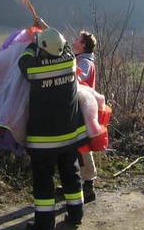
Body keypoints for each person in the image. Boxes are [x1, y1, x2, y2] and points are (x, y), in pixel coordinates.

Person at [19, 28, 87, 230]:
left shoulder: (34, 68)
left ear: (42, 49)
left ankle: (44, 223)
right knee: (71, 175)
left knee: (43, 182)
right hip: (69, 137)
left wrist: (33, 42)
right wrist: (48, 34)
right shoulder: (69, 61)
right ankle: (76, 215)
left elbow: (23, 60)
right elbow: (64, 47)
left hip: (43, 140)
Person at [72, 31, 98, 202]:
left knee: (82, 147)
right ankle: (78, 182)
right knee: (76, 147)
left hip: (82, 111)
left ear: (83, 45)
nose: (74, 42)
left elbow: (81, 77)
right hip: (80, 109)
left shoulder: (85, 62)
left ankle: (88, 186)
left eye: (77, 40)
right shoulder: (81, 59)